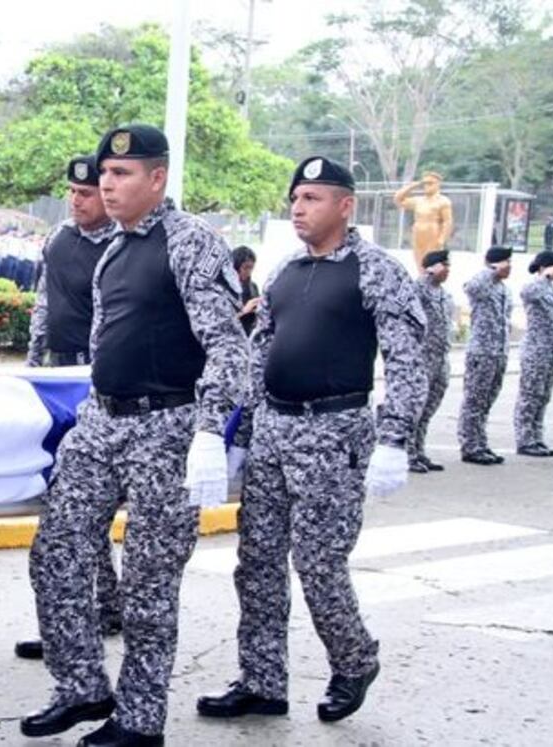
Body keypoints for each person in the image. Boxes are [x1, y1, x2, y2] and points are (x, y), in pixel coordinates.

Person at [23, 125, 247, 747]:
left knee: (149, 583)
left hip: (166, 428)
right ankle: (82, 687)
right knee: (57, 552)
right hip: (104, 419)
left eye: (122, 174)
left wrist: (209, 432)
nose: (107, 184)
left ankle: (141, 720)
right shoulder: (115, 249)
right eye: (104, 174)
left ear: (158, 178)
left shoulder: (190, 243)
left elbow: (229, 349)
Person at [198, 156, 426, 725]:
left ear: (345, 206)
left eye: (312, 199)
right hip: (275, 430)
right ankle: (262, 680)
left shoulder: (376, 270)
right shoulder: (286, 271)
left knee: (320, 562)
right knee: (257, 563)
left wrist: (395, 438)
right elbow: (259, 356)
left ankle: (355, 659)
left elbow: (407, 362)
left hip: (334, 432)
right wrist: (241, 435)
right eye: (295, 199)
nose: (298, 209)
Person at [17, 154, 122, 663]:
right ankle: (86, 610)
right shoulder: (60, 240)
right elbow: (44, 303)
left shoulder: (119, 246)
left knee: (82, 505)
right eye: (73, 193)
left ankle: (95, 608)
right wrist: (32, 366)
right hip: (54, 375)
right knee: (67, 501)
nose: (77, 201)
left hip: (92, 379)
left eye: (87, 193)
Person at [458, 246, 514, 465]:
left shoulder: (504, 290)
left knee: (487, 401)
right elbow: (470, 287)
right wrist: (490, 270)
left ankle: (480, 442)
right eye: (506, 262)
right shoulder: (482, 284)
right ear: (494, 264)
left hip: (498, 352)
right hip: (482, 351)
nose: (510, 267)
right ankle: (470, 446)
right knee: (474, 400)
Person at [407, 249, 455, 473]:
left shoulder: (444, 295)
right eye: (444, 265)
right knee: (414, 408)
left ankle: (419, 450)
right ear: (432, 267)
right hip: (421, 358)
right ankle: (408, 454)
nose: (447, 270)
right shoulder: (419, 289)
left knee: (428, 409)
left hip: (441, 358)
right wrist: (427, 273)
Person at [514, 251, 553, 456]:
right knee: (529, 396)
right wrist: (544, 275)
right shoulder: (535, 286)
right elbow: (525, 293)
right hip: (536, 351)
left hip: (550, 353)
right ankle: (525, 440)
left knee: (542, 397)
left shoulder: (552, 290)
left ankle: (536, 437)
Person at [394, 171, 453, 270]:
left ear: (437, 184)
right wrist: (412, 186)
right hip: (418, 231)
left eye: (430, 183)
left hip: (433, 231)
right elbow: (398, 199)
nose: (426, 186)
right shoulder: (419, 200)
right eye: (424, 183)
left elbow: (447, 221)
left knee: (432, 258)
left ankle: (431, 277)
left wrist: (442, 239)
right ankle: (421, 276)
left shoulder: (443, 201)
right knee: (419, 257)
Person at [232, 245, 260, 336]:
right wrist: (244, 311)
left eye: (251, 268)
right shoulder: (223, 289)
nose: (249, 272)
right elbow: (219, 321)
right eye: (246, 268)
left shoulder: (253, 287)